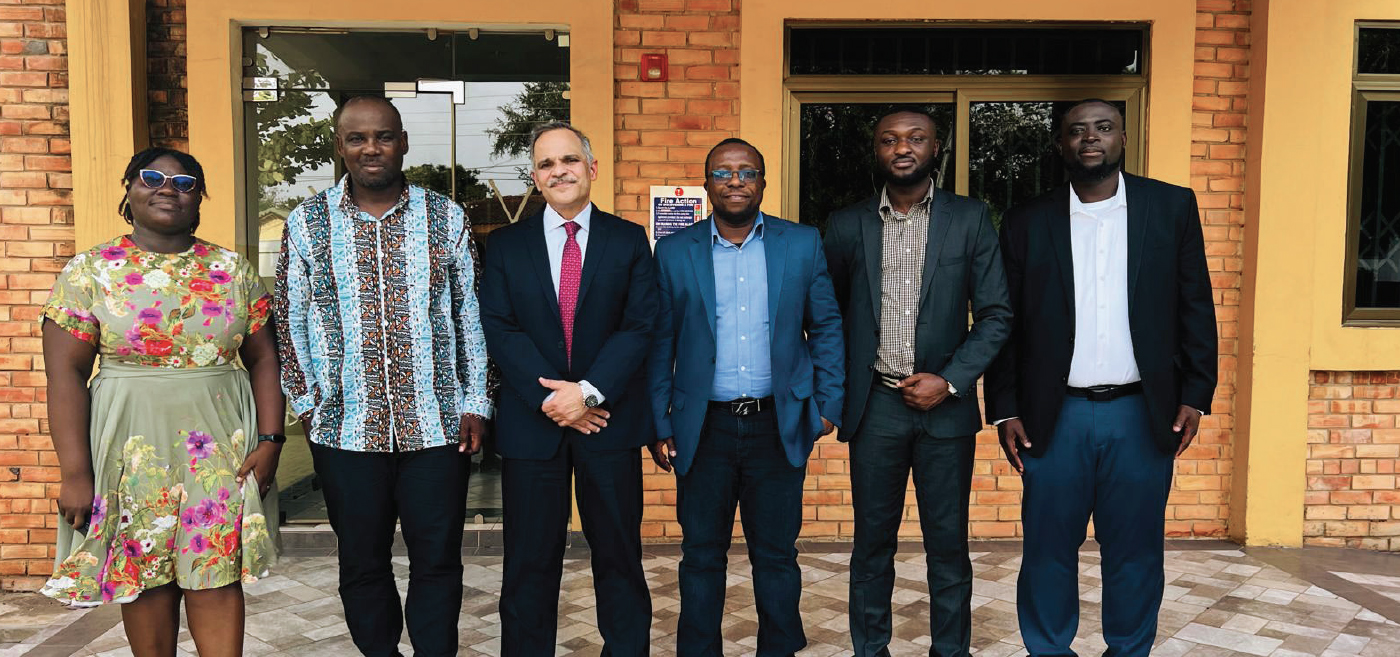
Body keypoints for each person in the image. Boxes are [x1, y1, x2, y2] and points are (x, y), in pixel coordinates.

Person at [985, 99, 1218, 657]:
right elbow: (1004, 318)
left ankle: (1129, 650)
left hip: (1141, 414)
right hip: (1052, 416)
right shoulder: (1026, 219)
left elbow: (1196, 306)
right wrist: (1005, 406)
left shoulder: (1171, 207)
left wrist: (1196, 394)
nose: (1090, 138)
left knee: (1135, 551)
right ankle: (1048, 649)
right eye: (1077, 130)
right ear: (1060, 145)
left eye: (1103, 127)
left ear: (1122, 138)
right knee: (1047, 550)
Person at [40, 147, 283, 657]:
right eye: (152, 178)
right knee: (145, 570)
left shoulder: (232, 269)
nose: (167, 188)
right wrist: (75, 473)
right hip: (131, 441)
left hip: (220, 442)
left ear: (200, 198)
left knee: (216, 570)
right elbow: (65, 374)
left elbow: (264, 360)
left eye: (185, 182)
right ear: (129, 188)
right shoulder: (90, 272)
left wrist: (271, 439)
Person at [274, 95, 491, 657]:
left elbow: (470, 313)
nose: (371, 148)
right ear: (341, 146)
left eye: (384, 136)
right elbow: (289, 317)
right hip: (344, 426)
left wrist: (477, 402)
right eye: (357, 138)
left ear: (403, 142)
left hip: (438, 426)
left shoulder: (446, 217)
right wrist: (308, 400)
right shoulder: (307, 222)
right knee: (363, 560)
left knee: (438, 558)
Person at [823, 107, 1012, 657]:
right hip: (875, 406)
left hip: (945, 410)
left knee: (948, 546)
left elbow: (997, 314)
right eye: (889, 139)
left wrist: (950, 381)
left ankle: (950, 651)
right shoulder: (846, 223)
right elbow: (827, 316)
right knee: (872, 544)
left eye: (916, 138)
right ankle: (870, 649)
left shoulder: (971, 218)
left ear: (936, 148)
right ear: (876, 152)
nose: (902, 147)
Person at [648, 138, 844, 657]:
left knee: (777, 555)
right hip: (703, 427)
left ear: (762, 179)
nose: (735, 181)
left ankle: (778, 649)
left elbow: (825, 326)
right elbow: (659, 342)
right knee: (701, 556)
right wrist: (659, 422)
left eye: (746, 172)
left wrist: (828, 405)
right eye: (722, 172)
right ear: (707, 182)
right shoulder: (673, 251)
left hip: (776, 424)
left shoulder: (801, 243)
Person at [479, 121, 656, 656]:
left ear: (591, 168)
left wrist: (590, 392)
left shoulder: (628, 239)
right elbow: (500, 327)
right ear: (535, 177)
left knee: (619, 556)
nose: (559, 171)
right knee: (530, 561)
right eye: (547, 164)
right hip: (534, 426)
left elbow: (639, 324)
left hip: (608, 423)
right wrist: (555, 400)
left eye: (570, 160)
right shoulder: (506, 246)